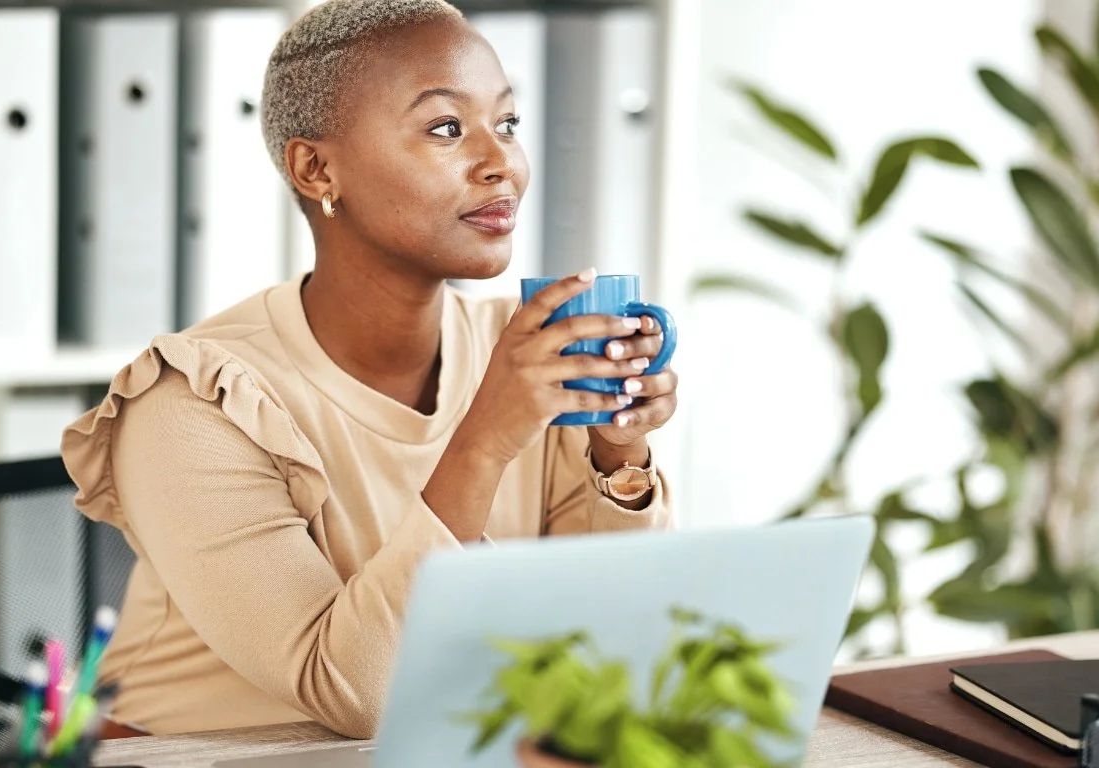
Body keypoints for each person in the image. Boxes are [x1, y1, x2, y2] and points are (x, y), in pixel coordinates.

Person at [59, 0, 678, 741]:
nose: (501, 163)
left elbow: (610, 642)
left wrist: (620, 457)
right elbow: (353, 695)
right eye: (447, 128)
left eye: (507, 123)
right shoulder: (192, 403)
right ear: (316, 168)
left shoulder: (513, 350)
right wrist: (485, 440)